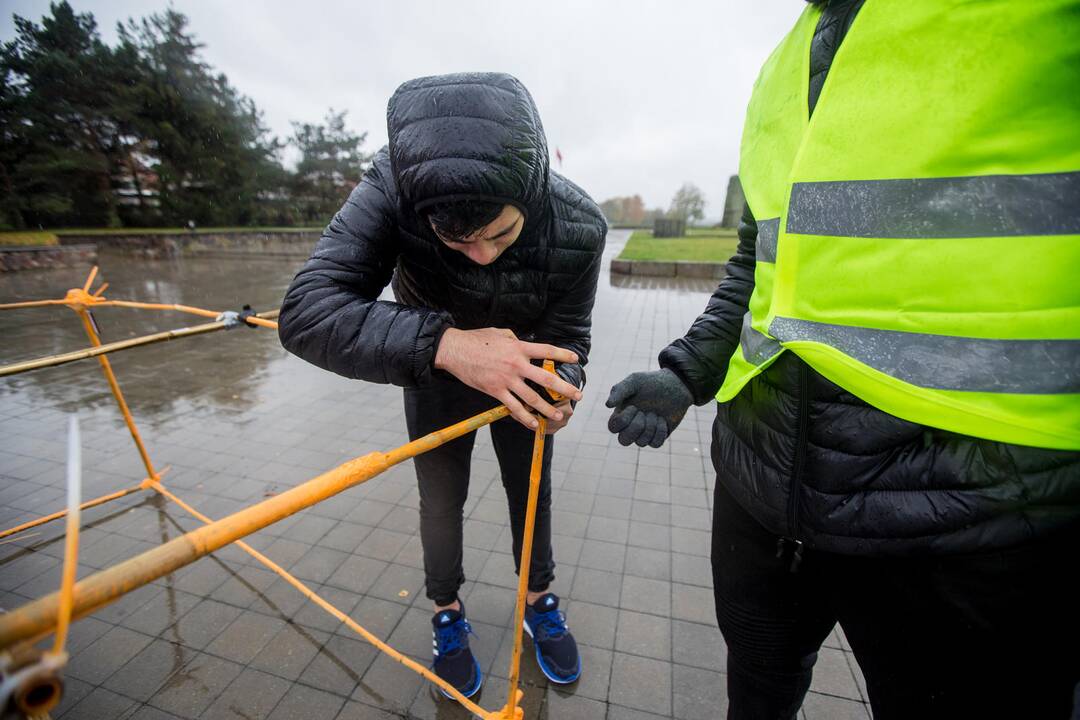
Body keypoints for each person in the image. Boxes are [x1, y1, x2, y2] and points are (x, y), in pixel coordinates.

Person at [605, 1, 1080, 718]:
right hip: (761, 486)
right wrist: (688, 371)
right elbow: (758, 256)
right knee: (755, 695)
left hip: (968, 512)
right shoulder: (782, 60)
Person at [278, 72, 605, 697]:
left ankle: (538, 597)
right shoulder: (392, 187)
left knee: (530, 491)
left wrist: (564, 381)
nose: (481, 255)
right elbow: (307, 313)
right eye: (457, 240)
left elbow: (570, 335)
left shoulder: (581, 224)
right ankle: (446, 612)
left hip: (525, 375)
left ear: (532, 193)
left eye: (501, 235)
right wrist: (450, 346)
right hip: (434, 368)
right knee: (440, 497)